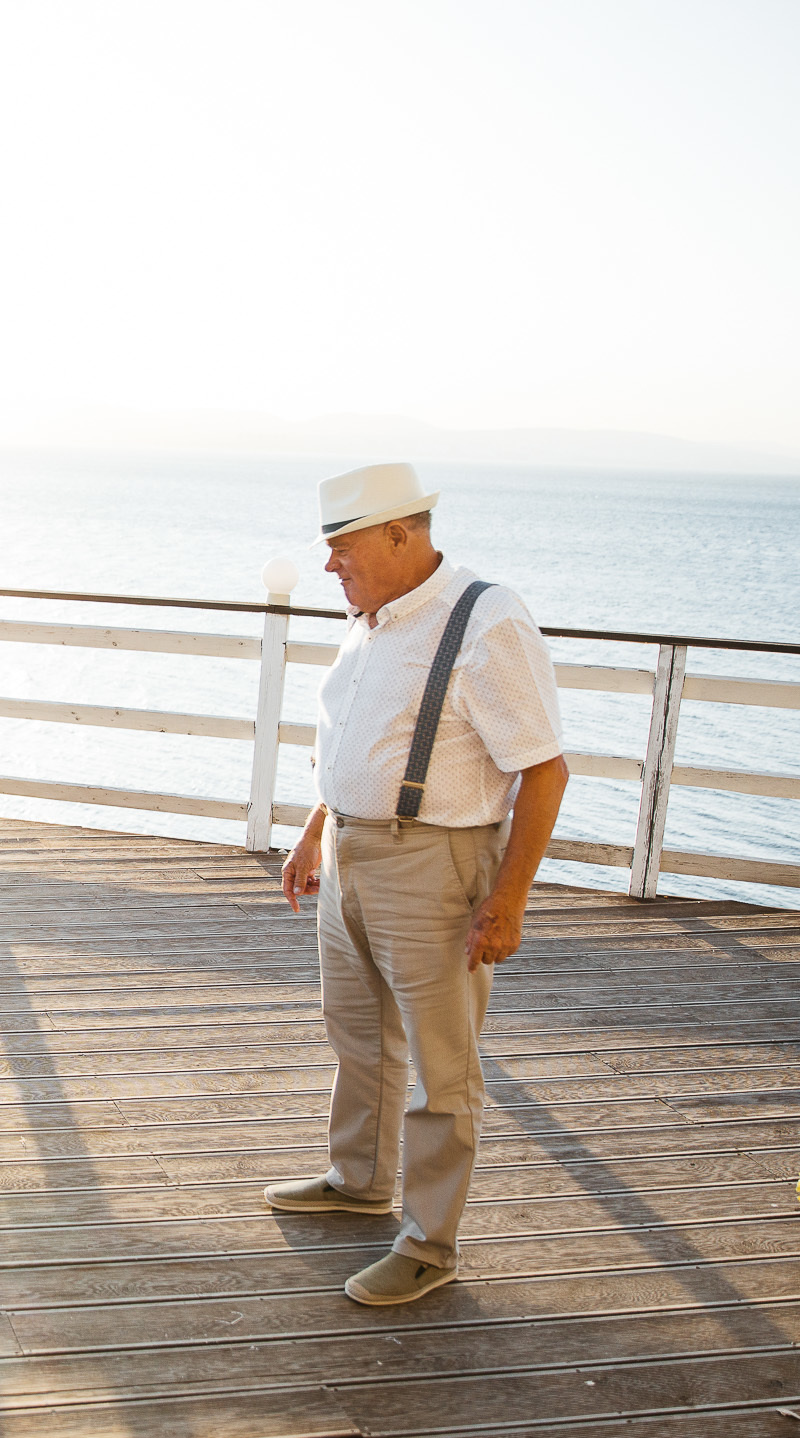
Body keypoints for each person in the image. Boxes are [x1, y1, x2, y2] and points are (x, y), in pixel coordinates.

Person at [267, 461, 568, 1305]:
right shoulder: (370, 616)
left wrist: (507, 899)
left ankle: (430, 1244)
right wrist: (316, 831)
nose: (330, 565)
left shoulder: (486, 620)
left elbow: (543, 773)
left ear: (402, 533)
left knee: (444, 1068)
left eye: (342, 546)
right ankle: (359, 1178)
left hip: (435, 864)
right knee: (356, 1031)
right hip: (352, 857)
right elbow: (363, 739)